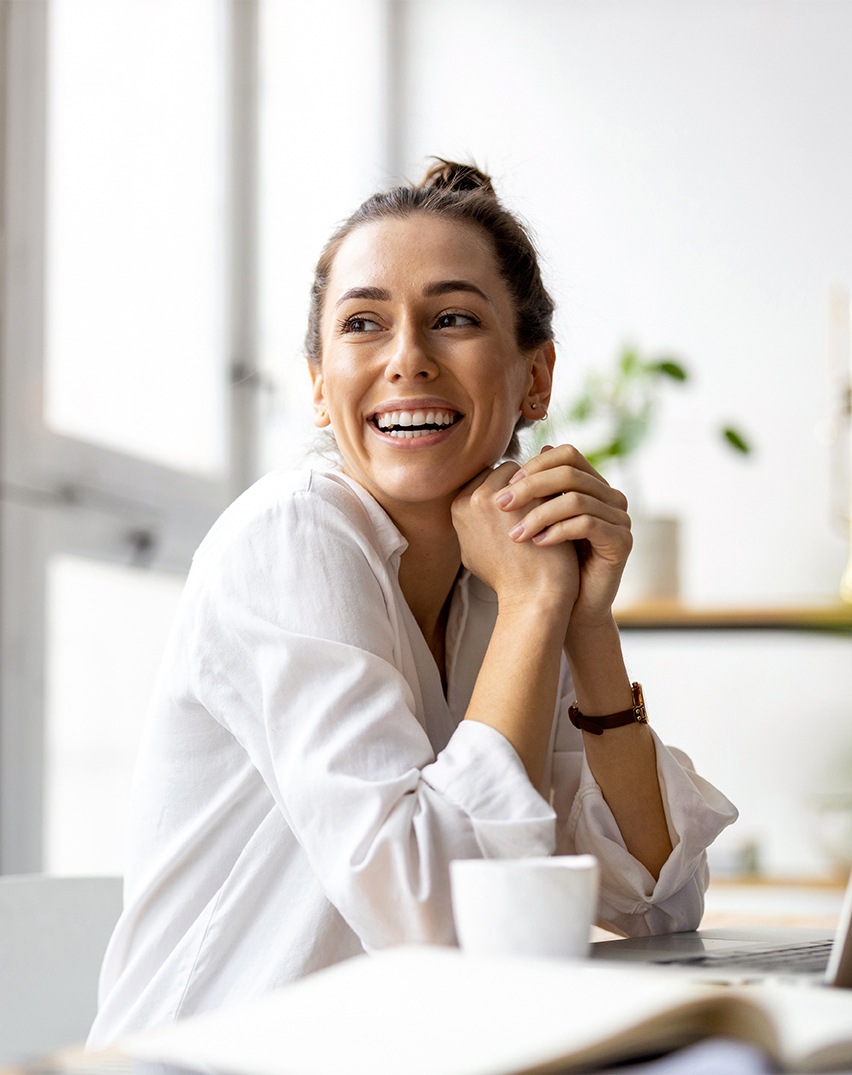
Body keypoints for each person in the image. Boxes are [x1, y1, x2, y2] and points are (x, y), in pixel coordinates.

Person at [87, 161, 737, 1046]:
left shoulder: (501, 581)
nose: (407, 359)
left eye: (455, 319)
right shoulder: (292, 538)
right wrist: (534, 612)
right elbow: (433, 919)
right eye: (363, 324)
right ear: (319, 382)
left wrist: (584, 621)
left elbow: (658, 900)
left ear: (535, 377)